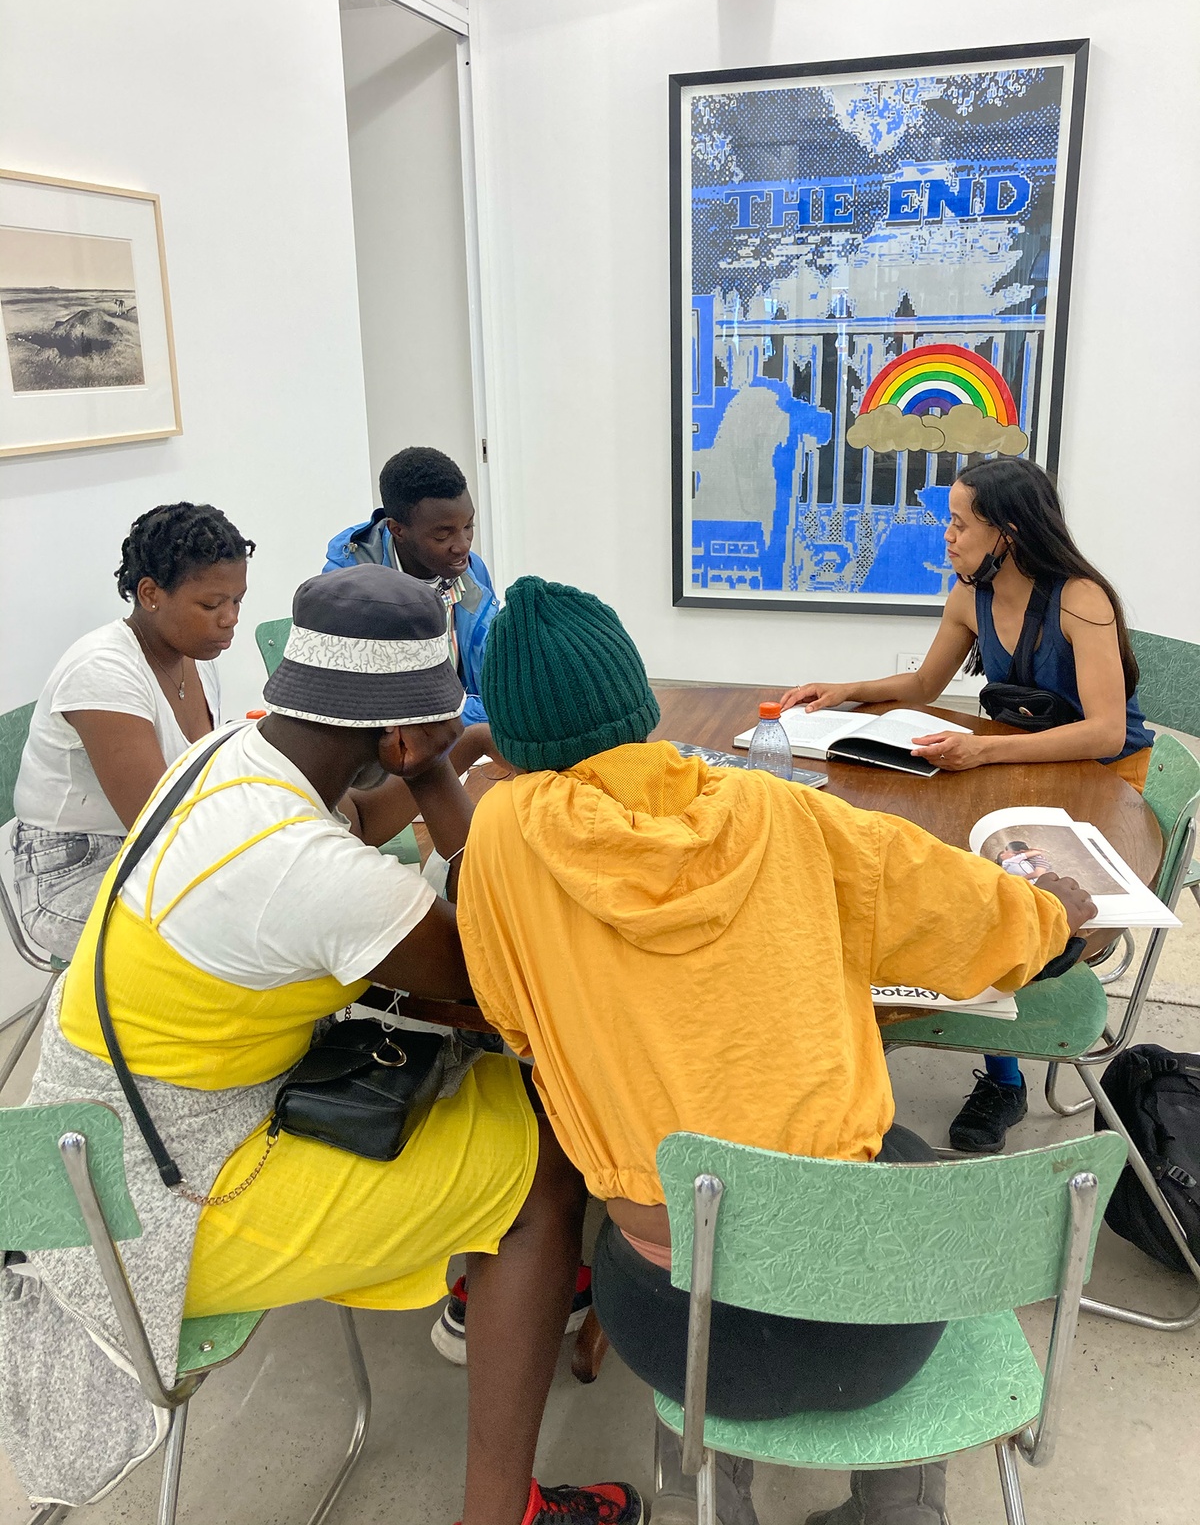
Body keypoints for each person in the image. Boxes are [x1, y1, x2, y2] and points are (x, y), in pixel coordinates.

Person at [0, 567, 639, 1525]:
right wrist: (436, 777)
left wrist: (445, 753)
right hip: (169, 1208)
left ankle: (504, 1291)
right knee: (543, 1153)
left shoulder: (223, 758)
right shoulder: (317, 878)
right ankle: (502, 1506)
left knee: (489, 1099)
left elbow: (351, 820)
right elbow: (505, 975)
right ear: (394, 735)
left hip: (82, 1159)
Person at [454, 576, 1096, 1525]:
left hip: (669, 1318)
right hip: (871, 1331)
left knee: (692, 1212)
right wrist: (1058, 921)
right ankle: (896, 1507)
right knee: (901, 1166)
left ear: (507, 745)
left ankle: (706, 1501)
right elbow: (979, 925)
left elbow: (510, 1016)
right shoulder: (788, 816)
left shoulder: (504, 839)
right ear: (642, 703)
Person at [779, 456, 1154, 1153]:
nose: (946, 535)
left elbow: (1104, 730)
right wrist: (844, 689)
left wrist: (983, 752)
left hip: (1099, 778)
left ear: (1006, 532)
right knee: (957, 874)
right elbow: (925, 680)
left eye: (958, 522)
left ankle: (1004, 1078)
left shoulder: (1080, 599)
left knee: (1008, 883)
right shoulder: (968, 592)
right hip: (1017, 765)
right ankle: (964, 1032)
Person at [11, 502, 254, 961]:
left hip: (150, 850)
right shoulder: (103, 669)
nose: (230, 618)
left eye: (237, 601)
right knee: (236, 931)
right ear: (149, 594)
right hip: (72, 874)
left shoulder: (194, 655)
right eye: (211, 604)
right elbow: (156, 824)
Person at [324, 446, 497, 729]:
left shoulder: (471, 570)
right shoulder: (349, 587)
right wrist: (483, 718)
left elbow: (496, 671)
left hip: (465, 733)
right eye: (443, 534)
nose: (463, 545)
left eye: (468, 526)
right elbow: (377, 702)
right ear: (398, 530)